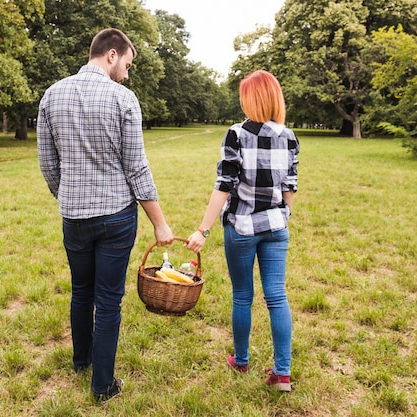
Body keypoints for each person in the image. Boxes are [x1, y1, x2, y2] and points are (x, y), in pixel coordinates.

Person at [36, 28, 174, 402]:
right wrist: (160, 223)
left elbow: (48, 164)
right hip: (115, 217)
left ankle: (82, 362)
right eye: (127, 64)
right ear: (111, 55)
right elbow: (137, 169)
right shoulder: (123, 99)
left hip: (74, 216)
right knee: (108, 299)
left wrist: (66, 196)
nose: (127, 74)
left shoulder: (51, 95)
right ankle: (102, 385)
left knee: (81, 291)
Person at [186, 70, 299, 392]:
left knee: (243, 296)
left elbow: (224, 185)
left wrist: (203, 230)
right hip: (277, 227)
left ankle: (242, 359)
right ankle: (283, 373)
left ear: (250, 99)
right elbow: (290, 185)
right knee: (277, 297)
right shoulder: (289, 136)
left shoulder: (237, 133)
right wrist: (284, 213)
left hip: (242, 227)